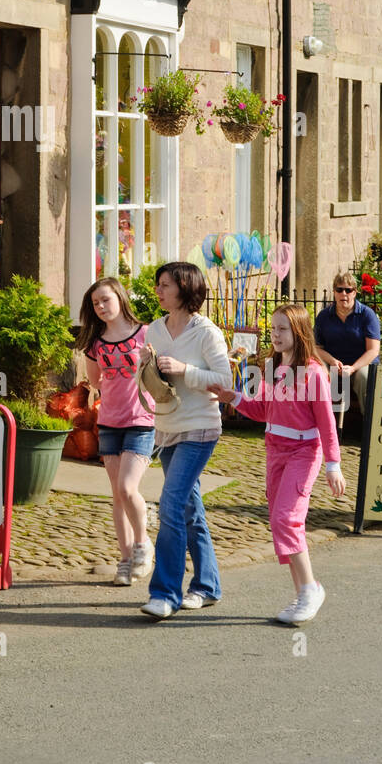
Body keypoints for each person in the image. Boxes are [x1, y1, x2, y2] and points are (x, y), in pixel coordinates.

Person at [211, 303, 346, 625]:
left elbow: (327, 424)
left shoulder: (314, 373)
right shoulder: (274, 368)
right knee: (278, 520)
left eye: (282, 329)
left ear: (299, 332)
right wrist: (235, 398)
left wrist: (333, 464)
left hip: (303, 452)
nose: (275, 335)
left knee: (287, 518)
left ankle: (310, 589)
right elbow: (263, 411)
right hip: (275, 451)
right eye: (273, 329)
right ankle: (303, 592)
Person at [139, 263, 232, 620]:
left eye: (165, 285)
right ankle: (207, 586)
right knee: (190, 510)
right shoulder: (155, 329)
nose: (159, 291)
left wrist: (183, 371)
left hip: (200, 428)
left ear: (185, 288)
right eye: (158, 285)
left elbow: (224, 381)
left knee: (170, 505)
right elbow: (153, 380)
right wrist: (148, 367)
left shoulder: (206, 332)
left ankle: (164, 593)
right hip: (168, 428)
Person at [76, 277, 155, 586]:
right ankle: (124, 559)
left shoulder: (146, 333)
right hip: (109, 421)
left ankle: (142, 543)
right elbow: (96, 382)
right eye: (96, 303)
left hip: (141, 420)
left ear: (120, 298)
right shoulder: (94, 344)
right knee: (117, 495)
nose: (101, 307)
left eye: (106, 300)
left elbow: (159, 372)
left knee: (127, 488)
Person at [313, 271, 380, 431]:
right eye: (339, 289)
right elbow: (316, 348)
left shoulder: (366, 315)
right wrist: (332, 361)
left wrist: (353, 368)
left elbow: (373, 350)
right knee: (315, 370)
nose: (344, 293)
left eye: (348, 290)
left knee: (364, 377)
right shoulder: (324, 316)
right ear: (334, 292)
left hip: (361, 364)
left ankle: (369, 425)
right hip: (334, 365)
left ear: (355, 292)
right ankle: (317, 421)